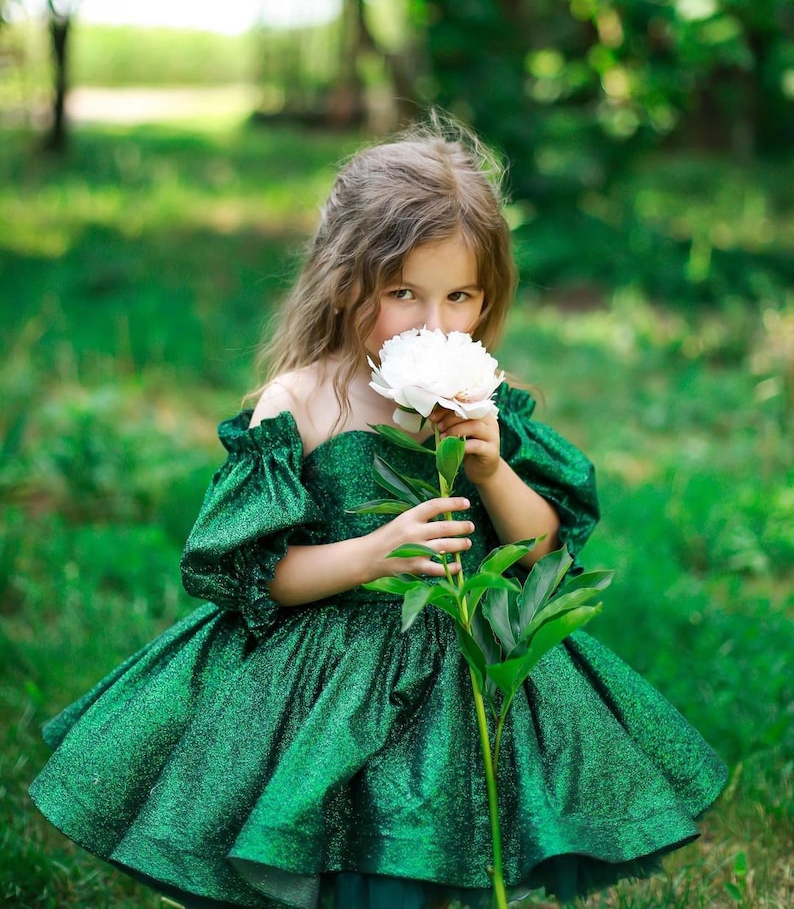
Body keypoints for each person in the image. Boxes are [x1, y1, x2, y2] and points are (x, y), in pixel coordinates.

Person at [29, 120, 727, 909]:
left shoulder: (483, 397)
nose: (436, 322)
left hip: (461, 669)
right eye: (404, 294)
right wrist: (370, 554)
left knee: (437, 846)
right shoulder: (303, 402)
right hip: (326, 675)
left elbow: (541, 546)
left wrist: (492, 469)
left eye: (460, 296)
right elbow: (259, 575)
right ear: (345, 284)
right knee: (343, 855)